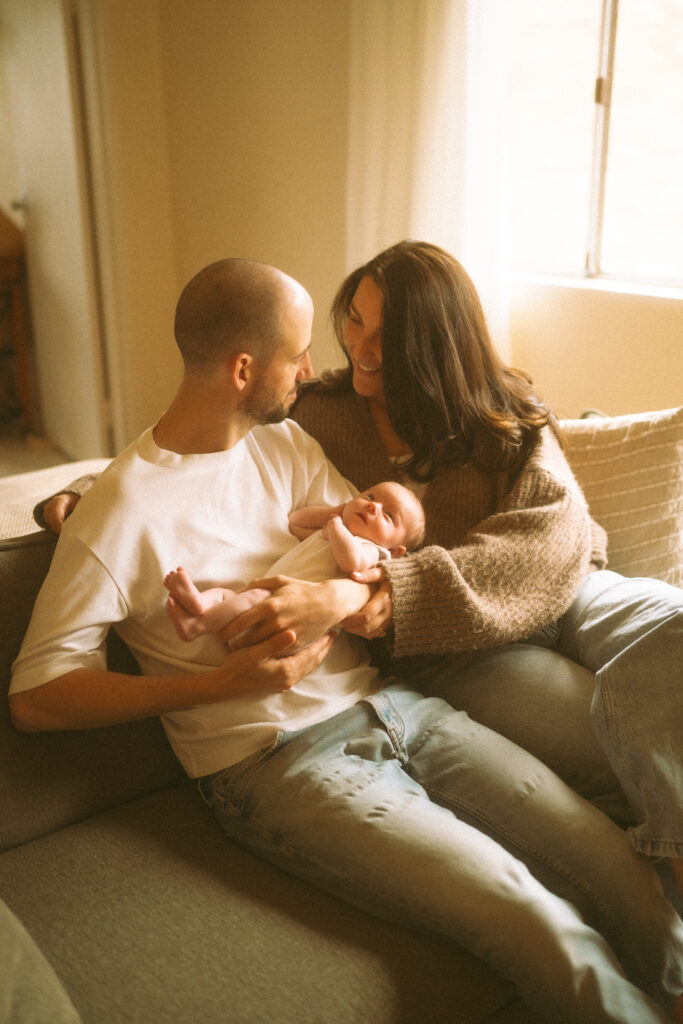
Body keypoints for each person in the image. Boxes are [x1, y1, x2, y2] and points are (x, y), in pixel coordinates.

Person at [18, 256, 683, 1022]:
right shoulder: (117, 514)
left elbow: (379, 561)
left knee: (613, 864)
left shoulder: (289, 447)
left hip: (400, 706)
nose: (314, 367)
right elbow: (36, 696)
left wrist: (334, 595)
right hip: (277, 764)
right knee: (536, 920)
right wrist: (210, 686)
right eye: (298, 353)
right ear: (243, 369)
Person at [163, 480, 425, 642]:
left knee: (253, 598)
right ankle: (200, 604)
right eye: (370, 496)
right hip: (268, 599)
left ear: (397, 551)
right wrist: (338, 513)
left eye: (388, 515)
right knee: (226, 595)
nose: (373, 507)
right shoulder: (332, 532)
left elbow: (353, 564)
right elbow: (296, 522)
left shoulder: (374, 552)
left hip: (291, 622)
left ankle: (197, 626)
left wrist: (336, 528)